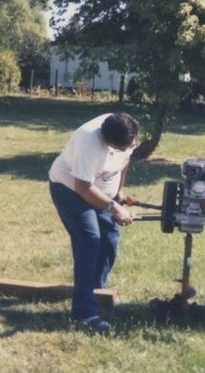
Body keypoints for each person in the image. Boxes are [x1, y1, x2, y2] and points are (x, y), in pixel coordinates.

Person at [48, 112, 139, 331]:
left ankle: (96, 291)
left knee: (110, 238)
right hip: (69, 188)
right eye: (121, 148)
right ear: (107, 141)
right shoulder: (90, 141)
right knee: (89, 239)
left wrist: (118, 191)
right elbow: (83, 188)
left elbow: (124, 160)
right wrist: (113, 207)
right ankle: (84, 313)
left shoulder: (126, 130)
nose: (128, 149)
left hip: (100, 192)